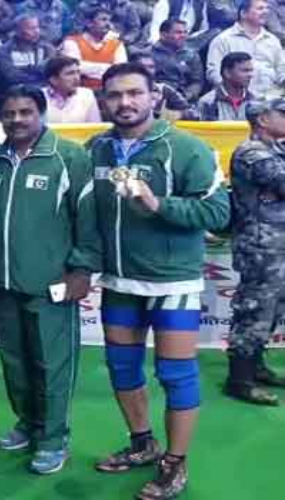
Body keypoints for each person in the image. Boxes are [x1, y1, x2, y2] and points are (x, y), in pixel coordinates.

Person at [88, 62, 230, 500]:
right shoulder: (97, 149)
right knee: (122, 368)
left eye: (134, 93)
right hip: (118, 281)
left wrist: (158, 205)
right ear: (104, 100)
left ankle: (175, 463)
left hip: (173, 284)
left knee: (175, 373)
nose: (125, 102)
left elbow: (218, 214)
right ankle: (142, 444)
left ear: (155, 97)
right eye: (115, 95)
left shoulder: (187, 148)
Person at [0, 84, 102, 475]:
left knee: (52, 365)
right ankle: (29, 423)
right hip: (0, 283)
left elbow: (88, 219)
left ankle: (54, 438)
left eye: (25, 112)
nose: (17, 120)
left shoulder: (68, 157)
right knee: (14, 363)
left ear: (41, 112)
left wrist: (81, 269)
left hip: (51, 285)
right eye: (9, 113)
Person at [223, 97, 285, 406]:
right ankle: (240, 379)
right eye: (281, 114)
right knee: (255, 308)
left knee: (273, 308)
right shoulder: (252, 153)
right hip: (260, 244)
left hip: (277, 242)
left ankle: (256, 366)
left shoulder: (275, 150)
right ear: (262, 119)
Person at [206, 0, 285, 99]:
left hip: (270, 99)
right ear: (243, 13)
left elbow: (282, 69)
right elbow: (213, 73)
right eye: (260, 8)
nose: (266, 12)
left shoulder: (273, 40)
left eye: (267, 8)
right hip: (234, 100)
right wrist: (231, 93)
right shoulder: (223, 40)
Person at [61, 9, 129, 91]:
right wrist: (109, 69)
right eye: (103, 20)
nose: (108, 24)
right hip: (79, 93)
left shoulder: (117, 44)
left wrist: (87, 69)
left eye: (110, 20)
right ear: (89, 23)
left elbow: (120, 71)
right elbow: (73, 68)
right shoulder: (71, 41)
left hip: (108, 92)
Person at [0, 15, 57, 96]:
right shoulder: (4, 50)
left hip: (43, 91)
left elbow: (51, 72)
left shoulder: (47, 48)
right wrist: (38, 72)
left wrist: (26, 69)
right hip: (15, 94)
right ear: (18, 31)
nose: (37, 31)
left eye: (37, 27)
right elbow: (12, 76)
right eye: (31, 28)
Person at [130, 52, 196, 122]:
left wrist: (178, 114)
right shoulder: (121, 90)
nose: (148, 70)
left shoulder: (164, 90)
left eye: (151, 67)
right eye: (142, 67)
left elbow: (195, 114)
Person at [151, 19, 204, 103]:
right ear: (163, 35)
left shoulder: (192, 55)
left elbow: (197, 82)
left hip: (183, 99)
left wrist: (187, 95)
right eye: (178, 32)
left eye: (185, 32)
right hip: (156, 98)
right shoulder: (149, 53)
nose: (183, 35)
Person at [198, 51, 257, 121]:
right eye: (245, 71)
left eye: (251, 71)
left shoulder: (256, 100)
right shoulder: (208, 102)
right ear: (227, 73)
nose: (250, 75)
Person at [42, 56, 102, 123]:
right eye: (70, 73)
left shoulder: (87, 95)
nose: (76, 78)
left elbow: (96, 126)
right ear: (53, 79)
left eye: (78, 72)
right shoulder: (40, 96)